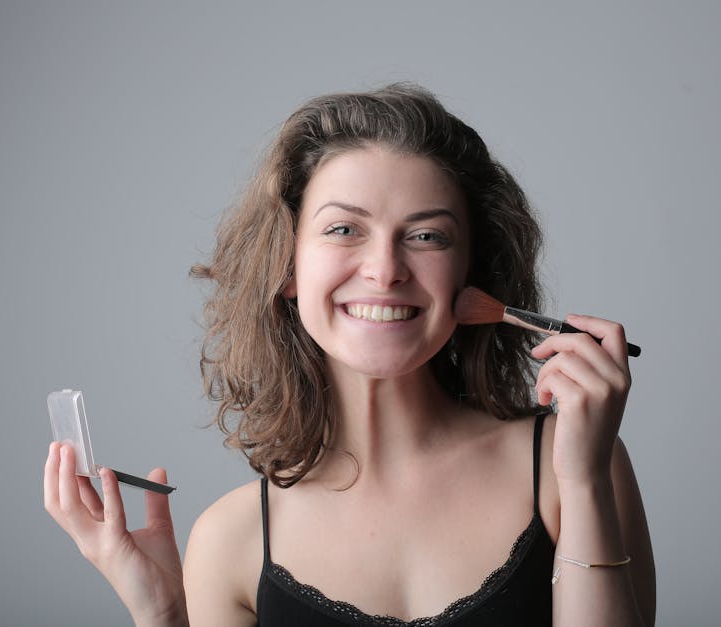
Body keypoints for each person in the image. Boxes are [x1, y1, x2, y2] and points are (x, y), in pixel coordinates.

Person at [44, 83, 655, 626]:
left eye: (426, 236)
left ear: (472, 274)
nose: (385, 270)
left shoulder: (570, 461)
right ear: (285, 266)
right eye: (343, 229)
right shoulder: (229, 541)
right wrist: (163, 614)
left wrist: (583, 481)